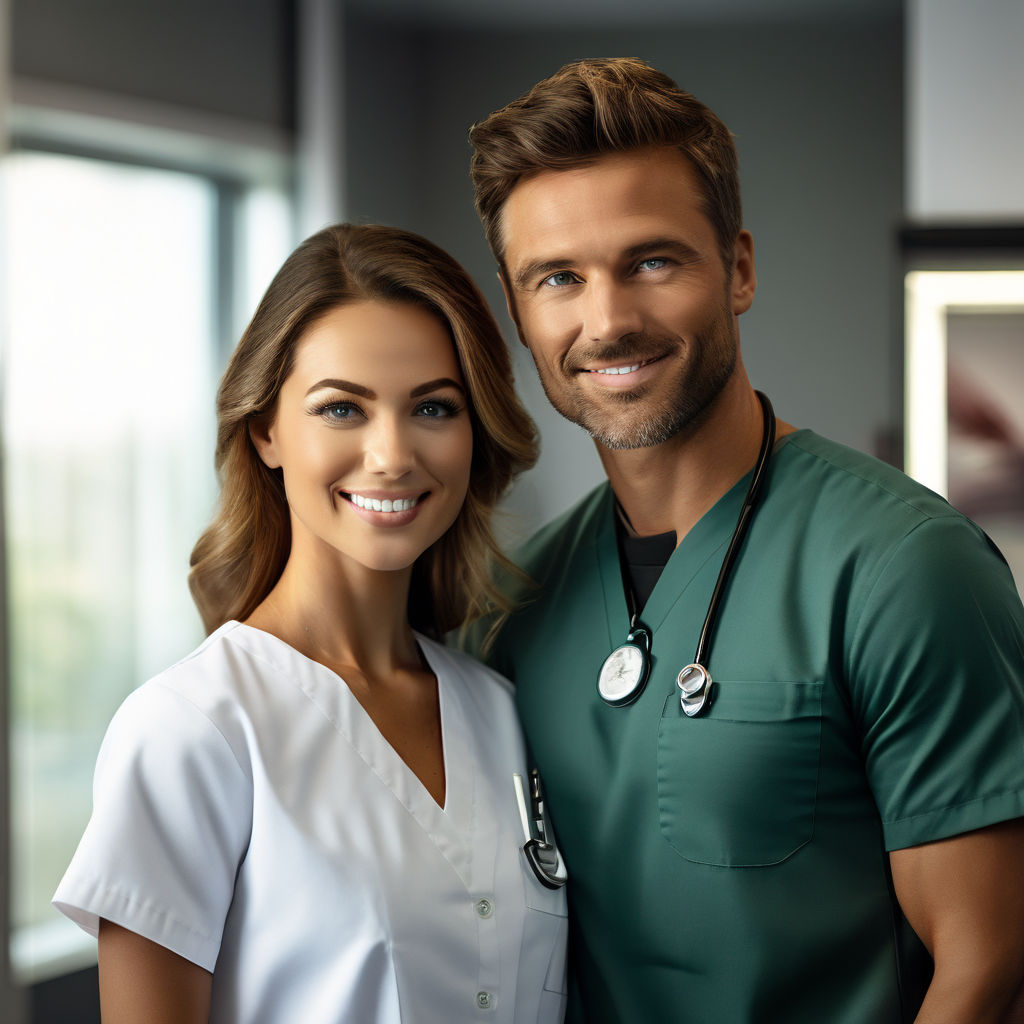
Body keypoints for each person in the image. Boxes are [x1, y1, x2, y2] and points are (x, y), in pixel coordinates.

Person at [462, 58, 1024, 1023]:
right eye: (559, 278)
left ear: (741, 269)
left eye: (652, 261)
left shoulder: (902, 567)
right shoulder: (515, 602)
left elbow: (991, 965)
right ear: (518, 312)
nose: (609, 320)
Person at [53, 223, 568, 1023]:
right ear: (266, 431)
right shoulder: (192, 730)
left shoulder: (498, 710)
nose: (392, 454)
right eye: (341, 409)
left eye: (433, 406)